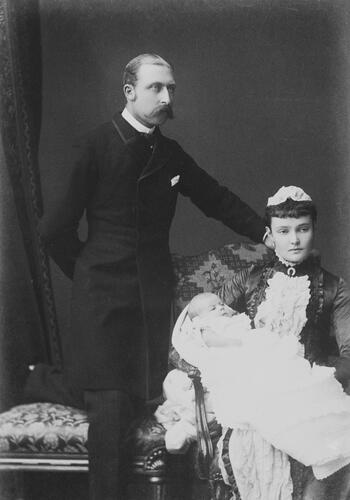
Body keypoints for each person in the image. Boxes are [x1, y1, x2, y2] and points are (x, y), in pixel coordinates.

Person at [39, 53, 269, 499]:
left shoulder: (169, 153)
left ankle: (49, 377)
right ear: (129, 92)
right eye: (156, 88)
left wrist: (264, 231)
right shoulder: (94, 146)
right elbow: (53, 231)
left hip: (149, 307)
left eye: (171, 89)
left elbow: (216, 198)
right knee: (109, 414)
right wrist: (89, 273)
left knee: (144, 403)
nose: (167, 97)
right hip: (103, 306)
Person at [214, 185, 350, 500]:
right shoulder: (250, 279)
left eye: (302, 229)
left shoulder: (333, 287)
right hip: (254, 386)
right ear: (270, 235)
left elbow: (348, 355)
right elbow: (206, 318)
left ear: (313, 230)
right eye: (284, 231)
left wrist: (312, 377)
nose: (294, 239)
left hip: (309, 387)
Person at [167, 291, 350, 499]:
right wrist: (238, 343)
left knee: (297, 379)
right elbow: (215, 342)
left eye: (220, 304)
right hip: (236, 356)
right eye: (213, 308)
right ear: (200, 319)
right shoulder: (207, 327)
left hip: (257, 351)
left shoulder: (332, 286)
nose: (220, 308)